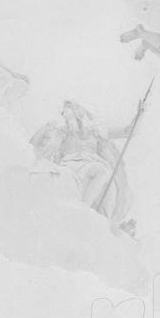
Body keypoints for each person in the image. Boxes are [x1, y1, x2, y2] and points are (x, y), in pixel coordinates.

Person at [29, 100, 138, 234]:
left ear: (77, 111)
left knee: (103, 172)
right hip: (69, 165)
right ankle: (81, 211)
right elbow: (33, 142)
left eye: (67, 108)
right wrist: (46, 126)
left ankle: (83, 209)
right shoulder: (62, 131)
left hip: (90, 164)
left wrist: (140, 113)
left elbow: (127, 131)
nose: (63, 111)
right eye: (63, 110)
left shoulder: (95, 131)